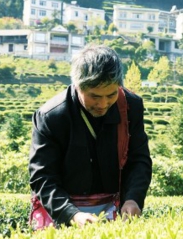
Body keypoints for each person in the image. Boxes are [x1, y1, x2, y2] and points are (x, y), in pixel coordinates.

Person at [29, 45, 152, 227]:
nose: (103, 104)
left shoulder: (130, 106)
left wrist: (133, 198)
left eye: (111, 95)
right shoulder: (52, 116)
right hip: (63, 209)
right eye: (94, 96)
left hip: (114, 207)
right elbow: (42, 176)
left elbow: (139, 159)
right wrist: (72, 214)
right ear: (78, 86)